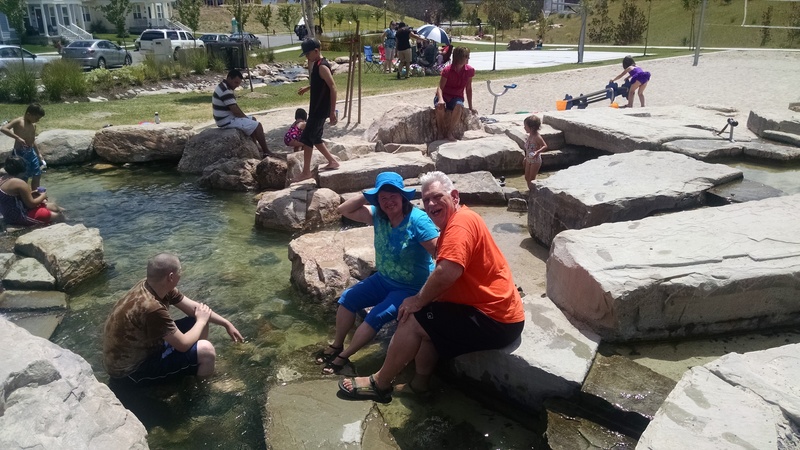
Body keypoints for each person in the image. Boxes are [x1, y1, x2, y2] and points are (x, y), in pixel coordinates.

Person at [338, 171, 525, 402]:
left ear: (454, 196)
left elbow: (447, 272)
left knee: (412, 319)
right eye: (426, 200)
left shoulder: (460, 225)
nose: (431, 204)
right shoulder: (458, 220)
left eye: (437, 197)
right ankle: (419, 385)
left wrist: (417, 300)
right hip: (491, 309)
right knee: (428, 320)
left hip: (494, 319)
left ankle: (380, 383)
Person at [315, 172, 439, 375]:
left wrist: (429, 293)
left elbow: (440, 254)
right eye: (383, 198)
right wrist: (369, 195)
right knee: (347, 299)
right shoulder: (378, 215)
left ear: (402, 197)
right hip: (383, 279)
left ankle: (344, 356)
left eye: (393, 196)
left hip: (410, 287)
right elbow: (343, 210)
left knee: (376, 315)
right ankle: (337, 344)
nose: (389, 202)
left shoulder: (418, 221)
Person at [103, 253, 244, 386]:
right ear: (171, 277)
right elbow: (183, 344)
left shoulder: (153, 286)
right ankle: (203, 385)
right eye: (180, 271)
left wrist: (226, 323)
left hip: (144, 348)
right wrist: (201, 321)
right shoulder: (152, 308)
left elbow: (196, 309)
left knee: (197, 320)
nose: (182, 274)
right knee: (206, 350)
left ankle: (194, 365)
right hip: (131, 373)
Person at [292, 38, 340, 183]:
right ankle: (332, 161)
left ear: (316, 51)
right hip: (317, 108)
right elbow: (320, 83)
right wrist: (308, 87)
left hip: (320, 109)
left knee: (307, 138)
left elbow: (333, 87)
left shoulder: (322, 66)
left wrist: (332, 111)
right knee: (315, 137)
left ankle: (306, 172)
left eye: (308, 54)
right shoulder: (317, 64)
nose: (307, 57)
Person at [212, 69, 272, 157]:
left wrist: (246, 118)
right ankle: (266, 151)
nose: (237, 85)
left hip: (225, 118)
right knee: (258, 126)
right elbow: (235, 111)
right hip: (226, 121)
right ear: (229, 78)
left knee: (253, 119)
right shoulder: (226, 91)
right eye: (236, 82)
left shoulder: (223, 86)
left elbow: (234, 107)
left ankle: (254, 146)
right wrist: (245, 117)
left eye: (238, 83)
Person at [0, 155, 64, 226]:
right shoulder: (19, 183)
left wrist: (31, 193)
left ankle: (67, 214)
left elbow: (11, 198)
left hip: (10, 215)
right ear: (22, 169)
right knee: (59, 216)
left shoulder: (2, 179)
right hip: (21, 217)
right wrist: (43, 195)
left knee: (53, 206)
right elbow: (31, 204)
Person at [1, 103, 47, 191]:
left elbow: (32, 140)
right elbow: (4, 128)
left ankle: (35, 192)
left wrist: (38, 154)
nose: (38, 120)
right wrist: (17, 138)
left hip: (30, 151)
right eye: (36, 118)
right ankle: (23, 193)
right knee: (22, 175)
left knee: (37, 173)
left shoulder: (33, 125)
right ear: (29, 114)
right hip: (19, 153)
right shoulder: (18, 121)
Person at [434, 46, 476, 141]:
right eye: (466, 56)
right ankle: (440, 131)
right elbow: (440, 88)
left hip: (456, 97)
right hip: (444, 95)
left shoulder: (469, 70)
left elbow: (468, 89)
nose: (468, 58)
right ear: (459, 57)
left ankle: (450, 132)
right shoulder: (447, 70)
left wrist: (470, 107)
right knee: (439, 107)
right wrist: (440, 99)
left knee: (459, 105)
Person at [523, 115, 549, 187]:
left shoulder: (537, 137)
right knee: (526, 177)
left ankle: (532, 191)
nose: (524, 128)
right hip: (528, 159)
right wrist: (526, 157)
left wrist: (537, 152)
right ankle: (529, 189)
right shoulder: (530, 135)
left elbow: (545, 146)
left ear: (532, 128)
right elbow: (528, 148)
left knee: (532, 179)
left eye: (525, 126)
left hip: (535, 160)